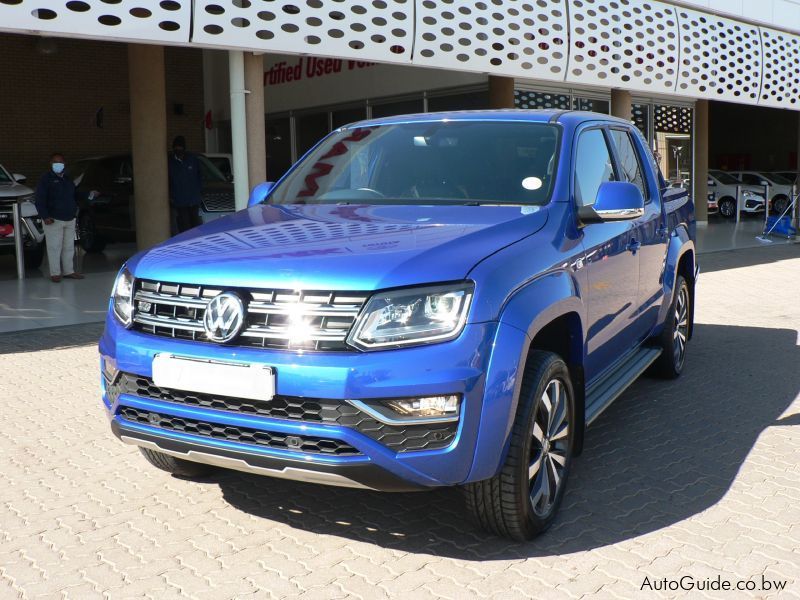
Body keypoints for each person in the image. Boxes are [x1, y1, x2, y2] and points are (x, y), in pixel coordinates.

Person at [34, 153, 84, 282]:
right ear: (51, 164)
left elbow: (74, 194)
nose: (58, 164)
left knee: (69, 246)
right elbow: (40, 199)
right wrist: (45, 216)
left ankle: (69, 271)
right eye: (55, 162)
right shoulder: (45, 179)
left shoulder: (67, 179)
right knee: (54, 247)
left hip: (69, 218)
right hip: (53, 219)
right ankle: (55, 273)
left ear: (64, 163)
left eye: (61, 162)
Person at [168, 135, 203, 233]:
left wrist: (198, 192)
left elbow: (200, 176)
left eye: (180, 147)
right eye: (176, 148)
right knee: (184, 226)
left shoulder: (192, 159)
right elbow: (168, 180)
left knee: (195, 226)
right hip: (180, 201)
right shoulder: (170, 162)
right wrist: (172, 196)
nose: (178, 150)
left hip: (193, 200)